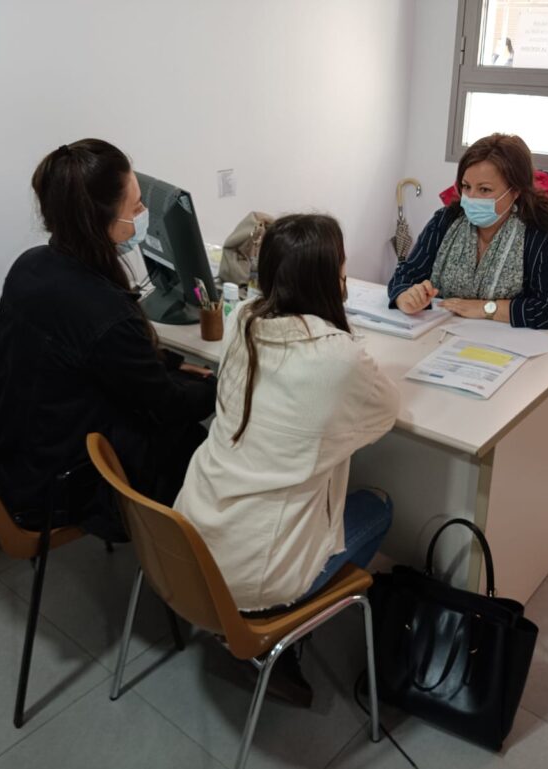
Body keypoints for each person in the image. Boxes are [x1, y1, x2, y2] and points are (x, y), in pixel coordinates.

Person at [175, 214, 399, 704]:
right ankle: (282, 638)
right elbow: (385, 413)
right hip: (253, 577)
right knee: (379, 506)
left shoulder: (242, 319)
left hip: (191, 543)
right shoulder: (338, 357)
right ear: (332, 278)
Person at [0, 139, 216, 542]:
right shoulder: (102, 311)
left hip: (19, 461)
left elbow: (91, 356)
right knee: (200, 442)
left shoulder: (32, 266)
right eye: (135, 208)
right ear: (99, 218)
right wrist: (225, 389)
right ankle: (196, 565)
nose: (142, 216)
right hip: (60, 487)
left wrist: (169, 363)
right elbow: (166, 405)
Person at [388, 133, 548, 329]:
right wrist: (405, 296)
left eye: (484, 190)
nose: (471, 197)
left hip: (504, 345)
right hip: (440, 334)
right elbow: (405, 275)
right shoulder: (445, 220)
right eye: (466, 187)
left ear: (516, 190)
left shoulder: (539, 234)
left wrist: (486, 309)